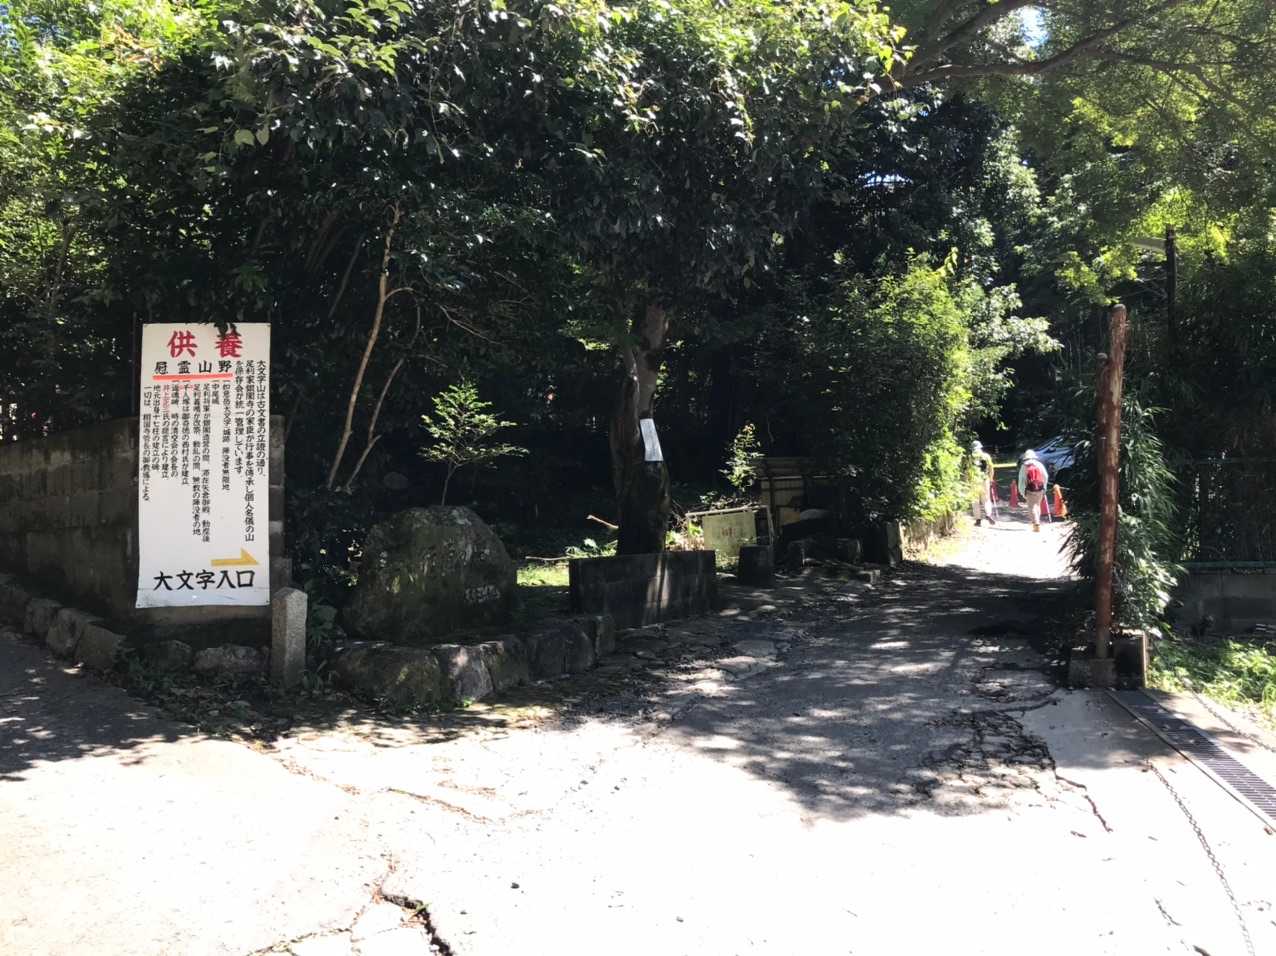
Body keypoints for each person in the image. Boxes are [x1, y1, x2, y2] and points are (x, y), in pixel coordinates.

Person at [1018, 449, 1050, 532]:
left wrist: (1022, 491)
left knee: (1031, 506)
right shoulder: (1039, 464)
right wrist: (1044, 487)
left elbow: (1021, 480)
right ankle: (1037, 521)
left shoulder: (1024, 466)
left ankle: (1036, 524)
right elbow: (1046, 476)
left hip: (1029, 489)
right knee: (1037, 505)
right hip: (1040, 488)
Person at [968, 440, 996, 526]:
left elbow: (968, 470)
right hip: (984, 479)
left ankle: (978, 519)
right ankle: (988, 514)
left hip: (974, 480)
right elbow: (991, 468)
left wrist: (968, 480)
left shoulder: (970, 457)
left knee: (975, 500)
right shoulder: (986, 456)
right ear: (980, 447)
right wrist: (991, 478)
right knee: (986, 499)